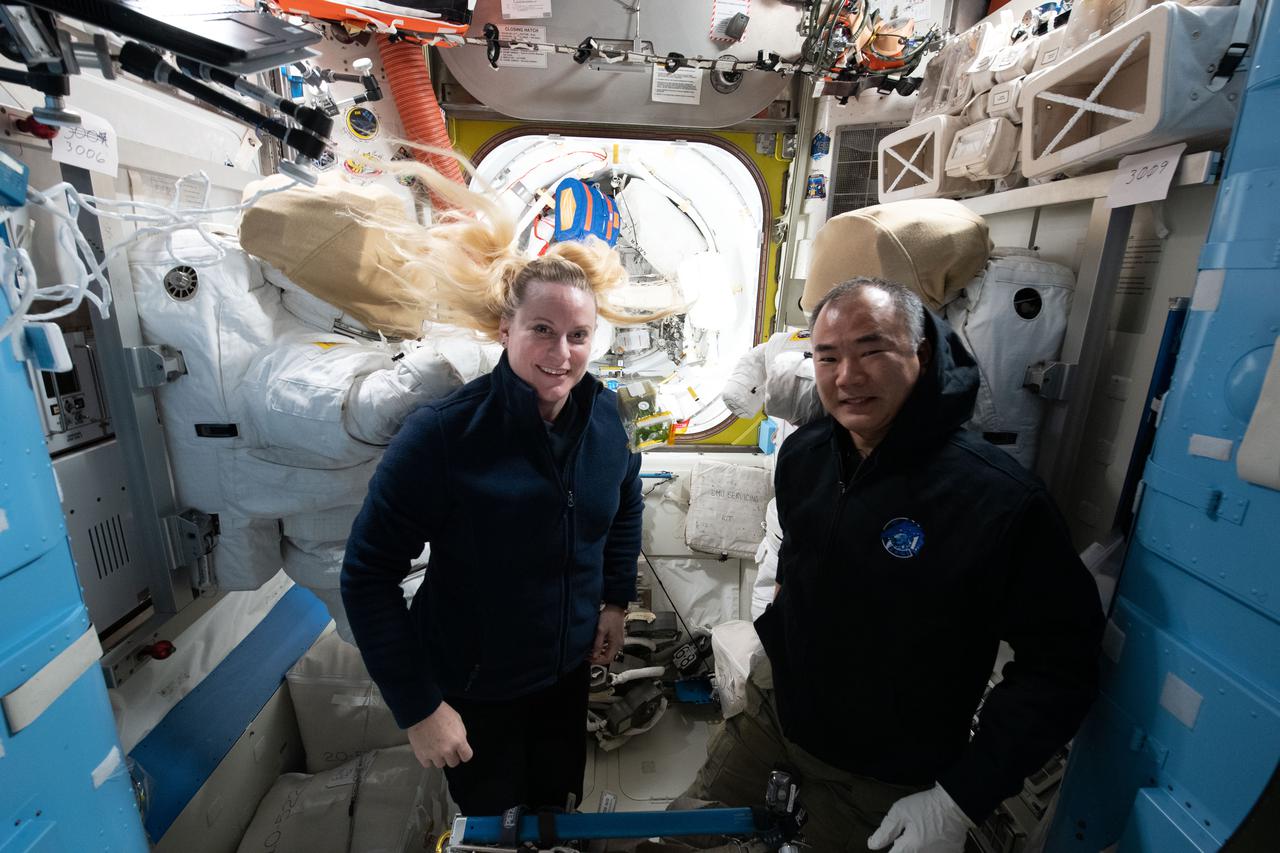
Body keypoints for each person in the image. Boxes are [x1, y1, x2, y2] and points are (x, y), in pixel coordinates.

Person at [682, 277, 1103, 851]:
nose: (847, 376)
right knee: (678, 837)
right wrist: (776, 641)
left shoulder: (997, 499)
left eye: (871, 350)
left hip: (882, 773)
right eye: (827, 357)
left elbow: (1062, 665)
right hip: (772, 716)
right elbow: (795, 568)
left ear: (921, 355)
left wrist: (961, 796)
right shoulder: (806, 455)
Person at [340, 163, 650, 816]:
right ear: (503, 329)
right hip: (474, 685)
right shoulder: (446, 435)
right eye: (541, 328)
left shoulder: (611, 420)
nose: (560, 351)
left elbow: (624, 508)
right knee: (496, 829)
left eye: (578, 334)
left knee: (558, 813)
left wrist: (616, 601)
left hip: (565, 676)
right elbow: (367, 575)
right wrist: (420, 706)